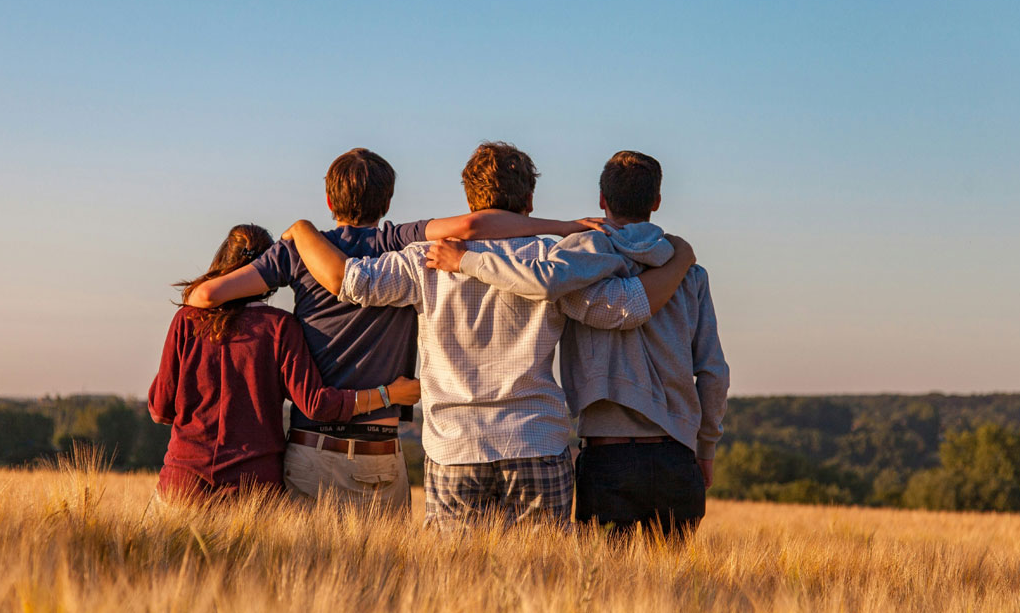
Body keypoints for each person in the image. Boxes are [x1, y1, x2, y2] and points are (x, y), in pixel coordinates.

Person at [281, 142, 697, 529]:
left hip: (454, 447)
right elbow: (625, 309)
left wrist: (302, 230)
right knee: (542, 586)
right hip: (536, 440)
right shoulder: (553, 261)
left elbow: (351, 282)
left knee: (455, 584)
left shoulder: (423, 260)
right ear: (530, 202)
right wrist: (680, 260)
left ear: (469, 200)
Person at [183, 147, 618, 512]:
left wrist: (297, 234)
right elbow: (473, 226)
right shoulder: (398, 241)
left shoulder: (302, 252)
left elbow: (206, 298)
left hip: (321, 446)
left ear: (329, 200)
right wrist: (564, 227)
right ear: (388, 202)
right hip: (393, 449)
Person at [428, 150, 729, 539]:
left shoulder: (576, 259)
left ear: (602, 199)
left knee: (602, 590)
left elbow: (541, 281)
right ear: (656, 202)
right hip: (677, 455)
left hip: (607, 456)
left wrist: (467, 261)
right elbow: (712, 372)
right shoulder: (690, 273)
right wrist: (706, 448)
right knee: (674, 594)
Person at [147, 224, 420, 503]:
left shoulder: (187, 320)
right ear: (270, 273)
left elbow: (160, 409)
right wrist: (389, 394)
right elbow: (317, 405)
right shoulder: (280, 327)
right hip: (254, 490)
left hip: (183, 483)